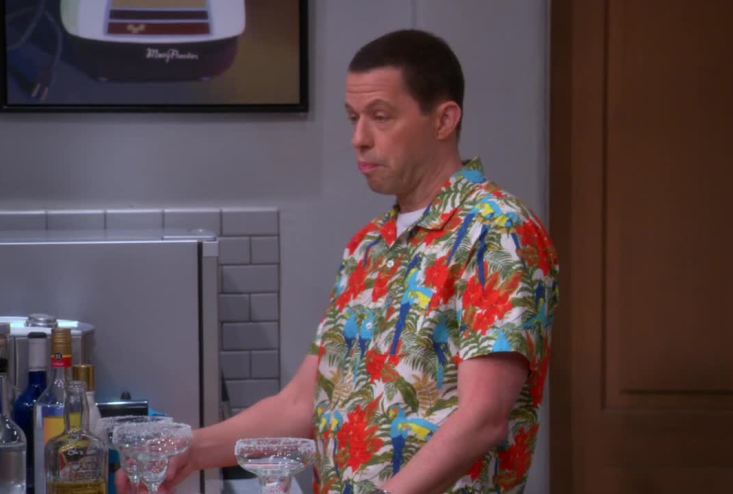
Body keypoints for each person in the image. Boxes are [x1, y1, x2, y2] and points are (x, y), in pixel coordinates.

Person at [118, 29, 558, 494]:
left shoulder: (496, 230)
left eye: (381, 117)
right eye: (353, 118)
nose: (358, 139)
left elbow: (482, 420)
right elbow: (301, 405)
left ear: (444, 120)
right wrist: (189, 451)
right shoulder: (368, 246)